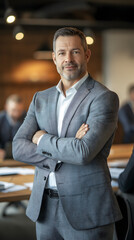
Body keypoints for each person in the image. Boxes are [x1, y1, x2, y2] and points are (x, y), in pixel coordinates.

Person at [13, 27, 122, 240]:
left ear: (87, 54)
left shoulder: (103, 98)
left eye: (75, 51)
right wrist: (68, 147)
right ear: (54, 58)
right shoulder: (40, 99)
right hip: (44, 208)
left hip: (87, 210)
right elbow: (18, 147)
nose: (68, 59)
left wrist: (41, 138)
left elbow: (83, 152)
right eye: (62, 53)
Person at [0, 94, 26, 159]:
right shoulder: (1, 119)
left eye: (19, 110)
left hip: (21, 156)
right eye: (14, 110)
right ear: (6, 107)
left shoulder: (27, 118)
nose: (16, 113)